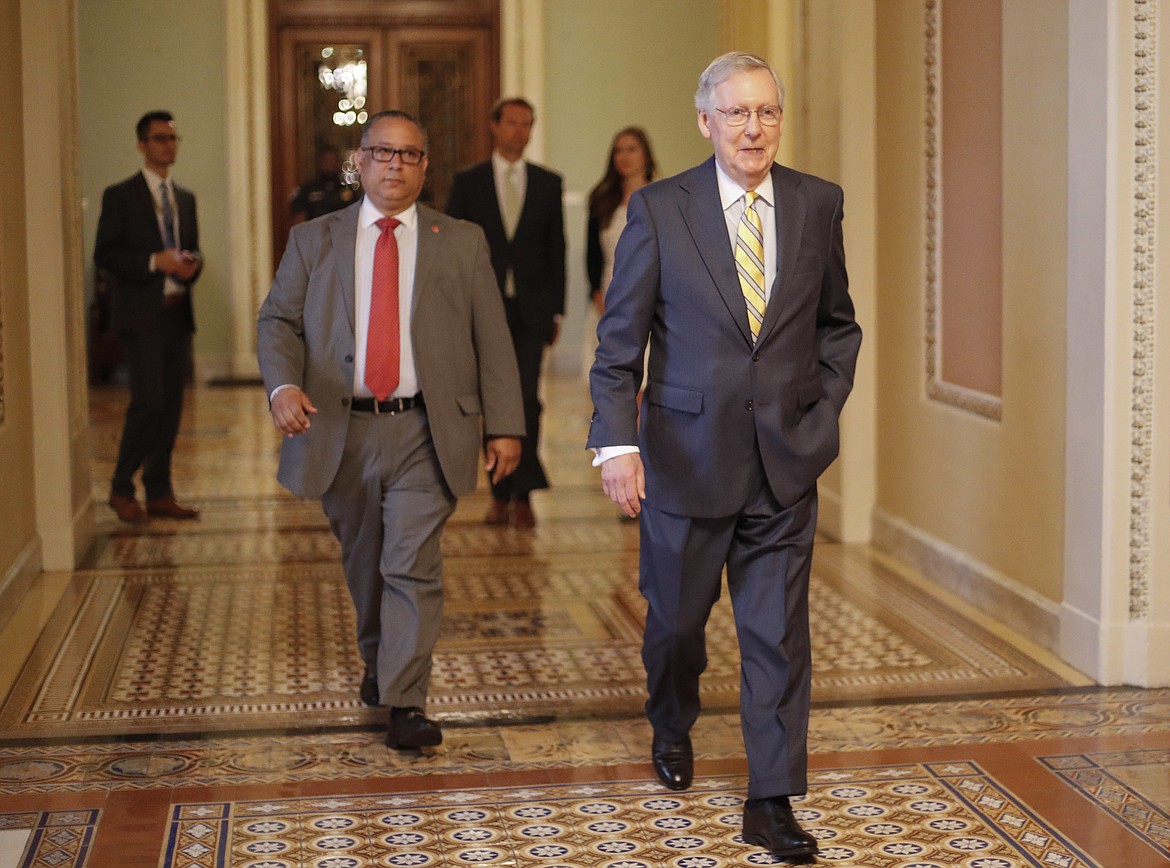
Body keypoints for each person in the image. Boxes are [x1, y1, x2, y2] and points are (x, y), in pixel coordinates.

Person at [587, 53, 862, 862]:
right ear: (705, 121)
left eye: (767, 112)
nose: (754, 128)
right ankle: (670, 721)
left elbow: (837, 325)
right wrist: (617, 445)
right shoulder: (660, 209)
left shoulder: (818, 204)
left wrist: (821, 411)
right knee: (675, 626)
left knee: (777, 637)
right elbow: (618, 344)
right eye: (737, 113)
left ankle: (771, 802)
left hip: (785, 465)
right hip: (682, 461)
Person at [257, 110, 524, 749]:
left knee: (411, 561)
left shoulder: (460, 241)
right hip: (339, 428)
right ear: (360, 160)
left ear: (425, 166)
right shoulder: (313, 239)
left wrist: (506, 425)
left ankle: (406, 701)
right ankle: (381, 661)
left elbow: (493, 336)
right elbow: (277, 323)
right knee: (365, 563)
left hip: (425, 430)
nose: (394, 165)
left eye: (408, 155)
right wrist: (282, 385)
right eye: (382, 153)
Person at [445, 97, 566, 529]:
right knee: (491, 400)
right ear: (494, 126)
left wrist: (558, 310)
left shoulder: (548, 183)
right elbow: (453, 251)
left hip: (532, 311)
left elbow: (557, 249)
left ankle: (526, 492)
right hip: (483, 309)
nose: (520, 131)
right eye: (513, 123)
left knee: (528, 402)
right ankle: (499, 494)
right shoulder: (468, 182)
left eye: (527, 124)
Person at [95, 110, 203, 523]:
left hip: (178, 314)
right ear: (142, 144)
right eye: (160, 139)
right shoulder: (120, 195)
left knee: (173, 407)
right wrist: (154, 262)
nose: (168, 145)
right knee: (149, 403)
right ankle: (121, 486)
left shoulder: (186, 198)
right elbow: (105, 255)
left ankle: (159, 491)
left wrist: (193, 265)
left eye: (174, 138)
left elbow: (191, 250)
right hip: (141, 317)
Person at [583, 127, 657, 390]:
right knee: (610, 386)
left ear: (646, 155)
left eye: (632, 149)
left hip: (651, 301)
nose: (624, 156)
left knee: (644, 383)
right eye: (618, 150)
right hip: (609, 297)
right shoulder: (602, 199)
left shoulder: (661, 198)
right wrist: (597, 294)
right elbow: (592, 254)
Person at [289, 144, 355, 224]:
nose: (330, 164)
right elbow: (298, 220)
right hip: (314, 233)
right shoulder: (308, 189)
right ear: (319, 163)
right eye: (326, 160)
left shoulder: (347, 190)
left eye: (333, 160)